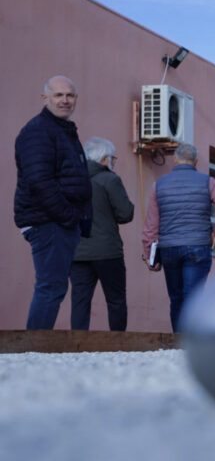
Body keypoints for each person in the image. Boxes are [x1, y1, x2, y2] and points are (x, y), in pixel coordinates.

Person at [14, 76, 92, 330]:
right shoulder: (39, 131)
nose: (65, 100)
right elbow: (39, 181)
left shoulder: (62, 130)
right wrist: (68, 216)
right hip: (49, 221)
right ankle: (33, 348)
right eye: (58, 95)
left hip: (57, 221)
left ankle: (35, 346)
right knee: (51, 287)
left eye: (69, 95)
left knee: (53, 287)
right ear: (44, 98)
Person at [141, 143, 215, 331]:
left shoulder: (158, 185)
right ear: (196, 162)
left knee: (176, 298)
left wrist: (149, 255)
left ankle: (178, 341)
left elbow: (151, 225)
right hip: (198, 246)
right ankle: (192, 341)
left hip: (169, 249)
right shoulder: (208, 182)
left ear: (175, 160)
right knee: (193, 298)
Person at [70, 137, 134, 331]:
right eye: (113, 158)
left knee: (80, 301)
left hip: (78, 251)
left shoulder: (72, 179)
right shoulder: (110, 179)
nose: (113, 162)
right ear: (105, 159)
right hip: (107, 251)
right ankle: (117, 343)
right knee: (115, 300)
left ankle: (77, 343)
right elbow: (125, 214)